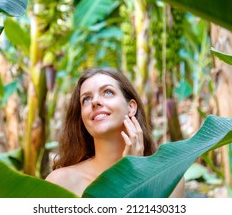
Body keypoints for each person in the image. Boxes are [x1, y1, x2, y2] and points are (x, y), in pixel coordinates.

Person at [46, 67, 184, 197]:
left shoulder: (169, 178)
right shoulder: (61, 182)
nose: (95, 101)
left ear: (131, 108)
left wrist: (133, 176)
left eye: (107, 92)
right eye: (86, 99)